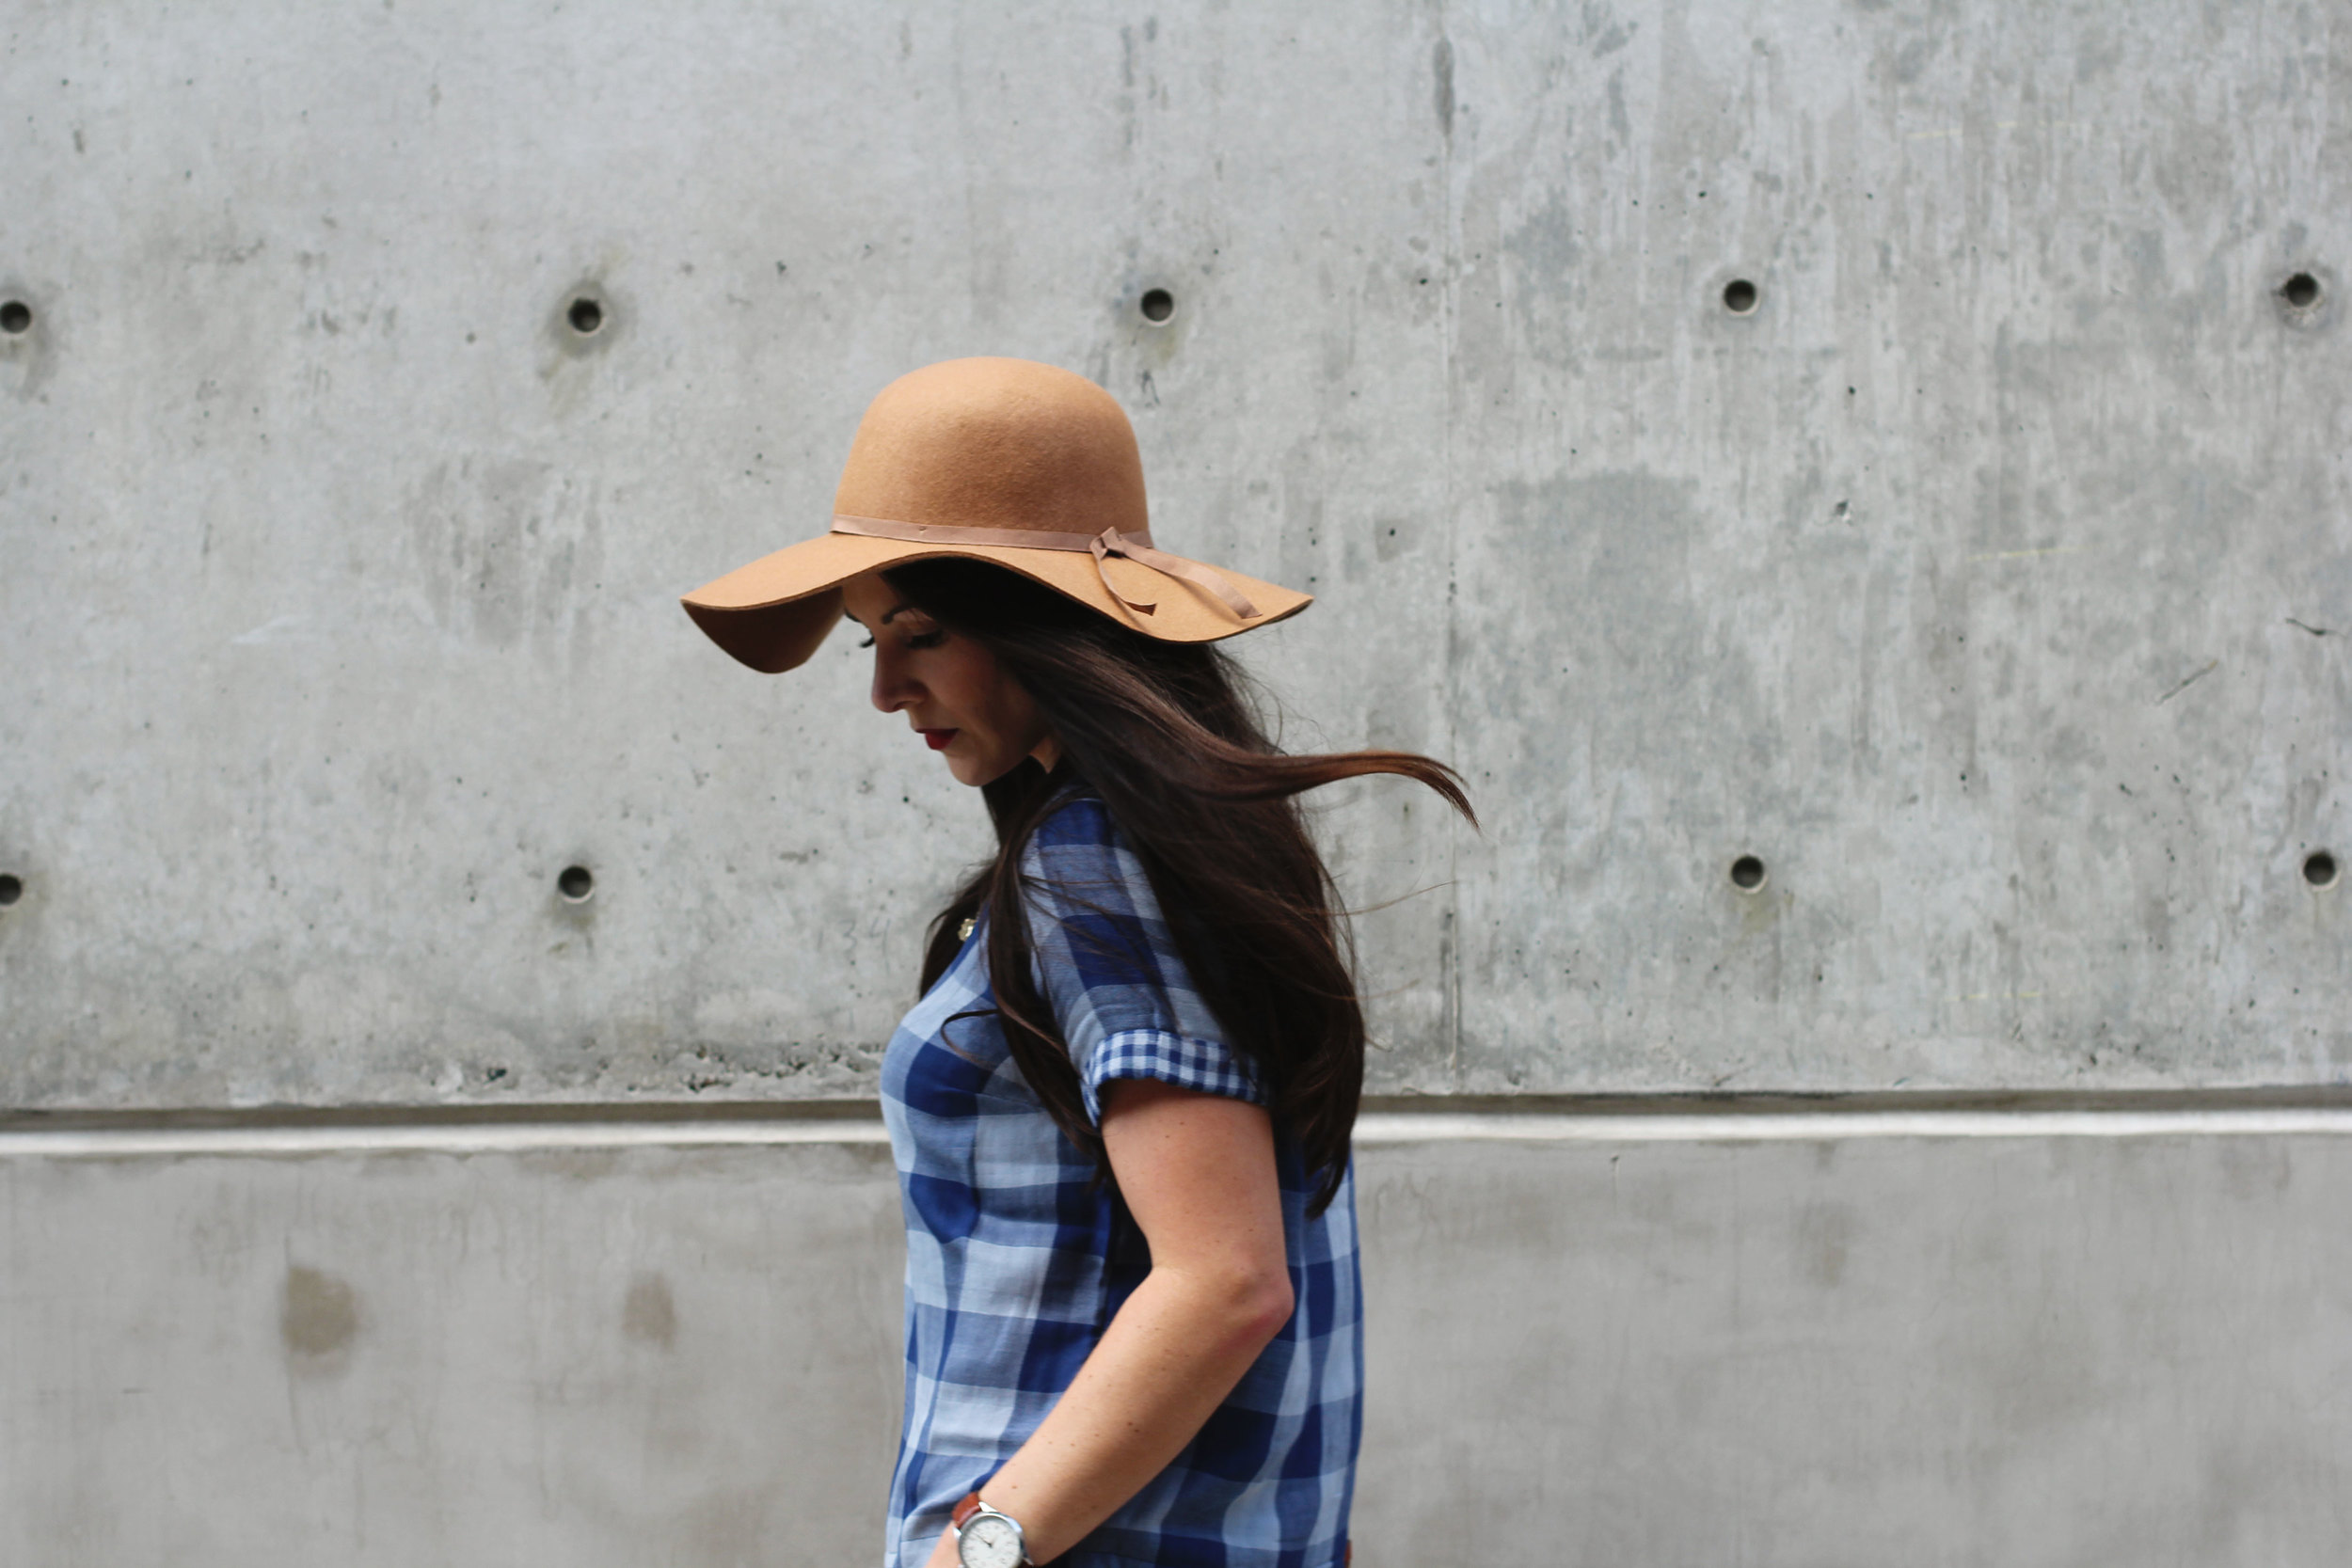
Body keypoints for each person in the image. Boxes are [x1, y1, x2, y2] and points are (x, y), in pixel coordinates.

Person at [681, 357, 1471, 1567]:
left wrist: (974, 1552)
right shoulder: (1158, 850)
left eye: (922, 633)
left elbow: (1225, 1282)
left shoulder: (1093, 868)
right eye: (869, 642)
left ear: (1049, 634)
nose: (889, 688)